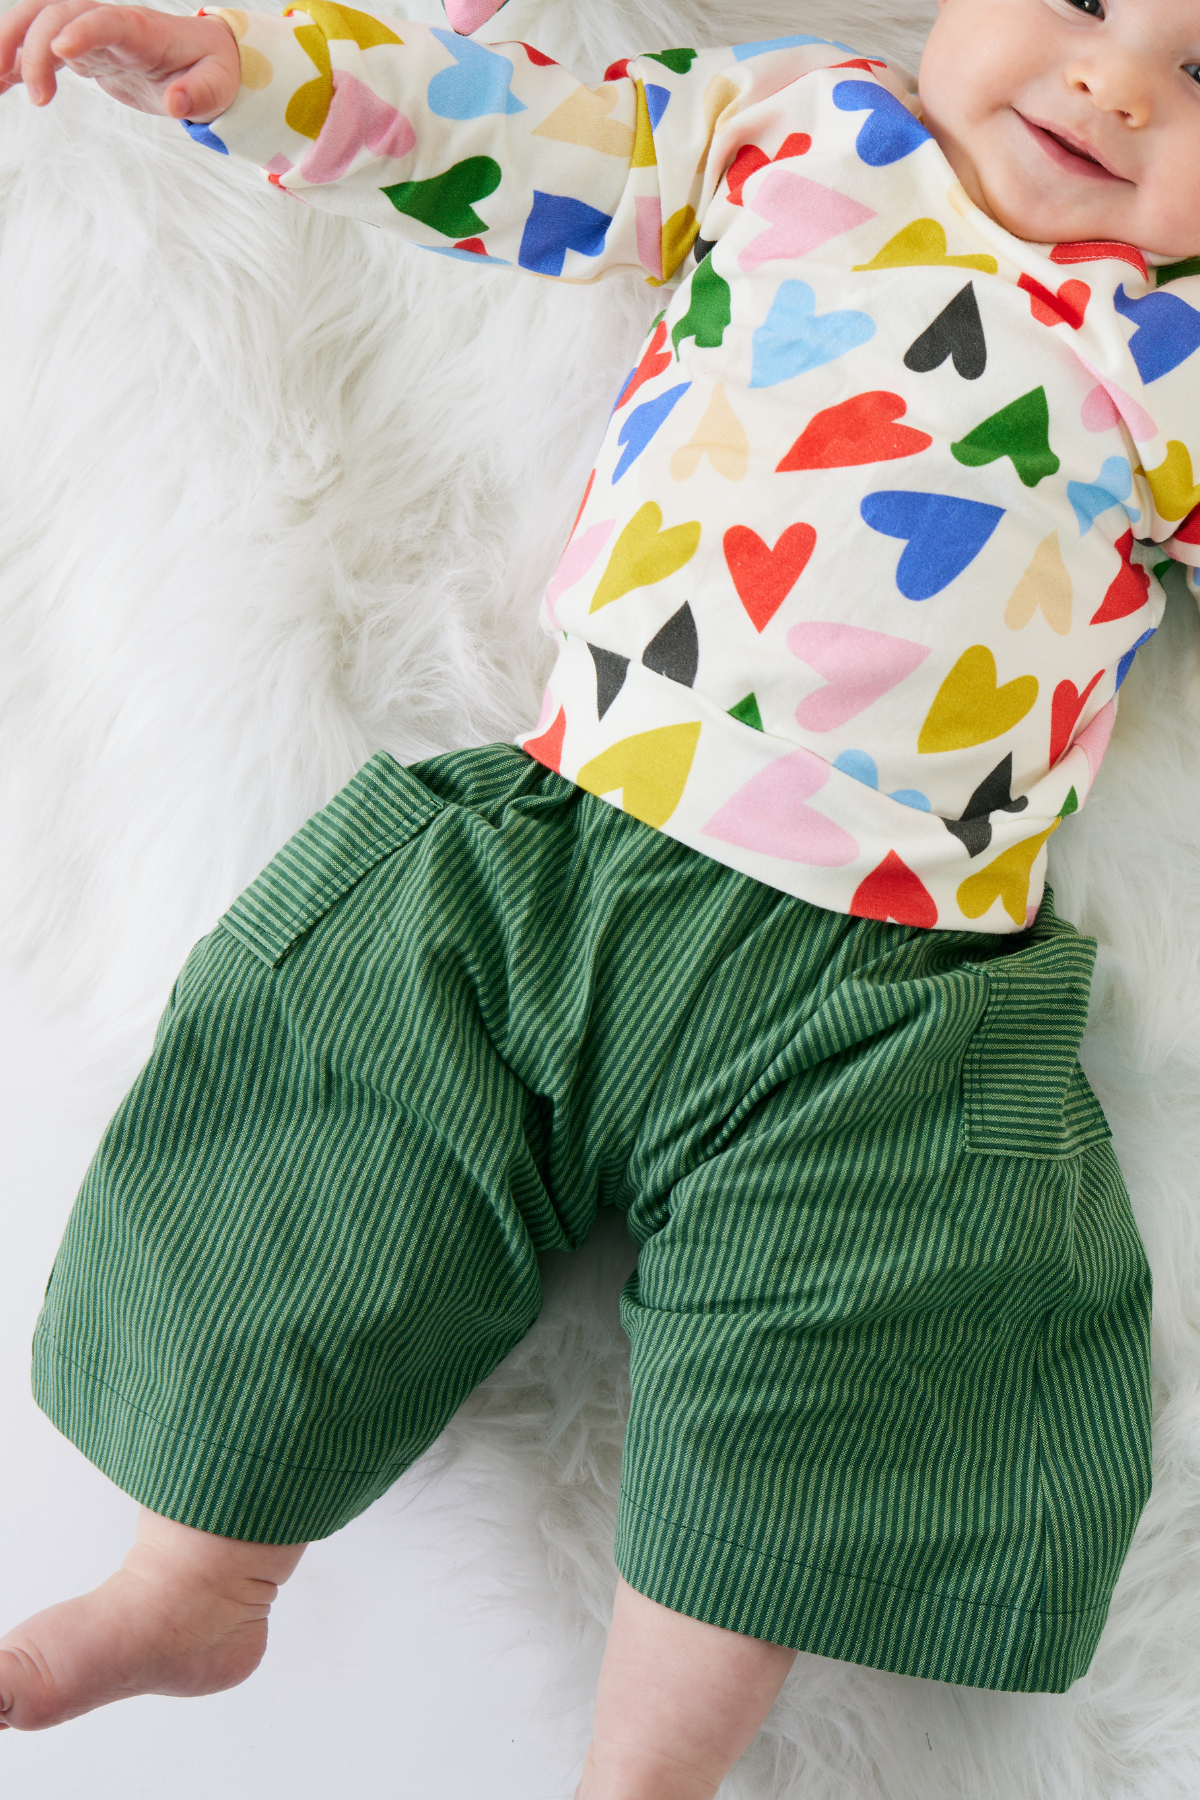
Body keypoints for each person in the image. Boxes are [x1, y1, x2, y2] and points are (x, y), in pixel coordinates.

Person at [2, 0, 1194, 1789]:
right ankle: (199, 1576)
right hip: (558, 853)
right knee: (324, 1114)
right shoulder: (802, 137)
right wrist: (239, 68)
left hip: (884, 994)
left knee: (836, 1354)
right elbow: (504, 127)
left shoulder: (1170, 353)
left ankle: (645, 1769)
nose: (1116, 81)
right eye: (1093, 8)